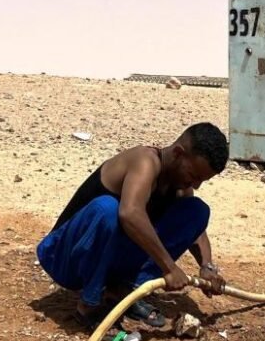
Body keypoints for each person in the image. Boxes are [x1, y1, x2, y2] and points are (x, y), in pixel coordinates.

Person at [36, 122, 228, 330]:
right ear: (178, 153)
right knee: (108, 209)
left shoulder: (177, 184)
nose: (195, 185)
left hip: (106, 260)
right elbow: (130, 213)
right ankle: (89, 306)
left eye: (201, 180)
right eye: (193, 176)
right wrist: (169, 268)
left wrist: (207, 266)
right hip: (64, 257)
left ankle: (120, 290)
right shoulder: (145, 162)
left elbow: (195, 230)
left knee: (196, 211)